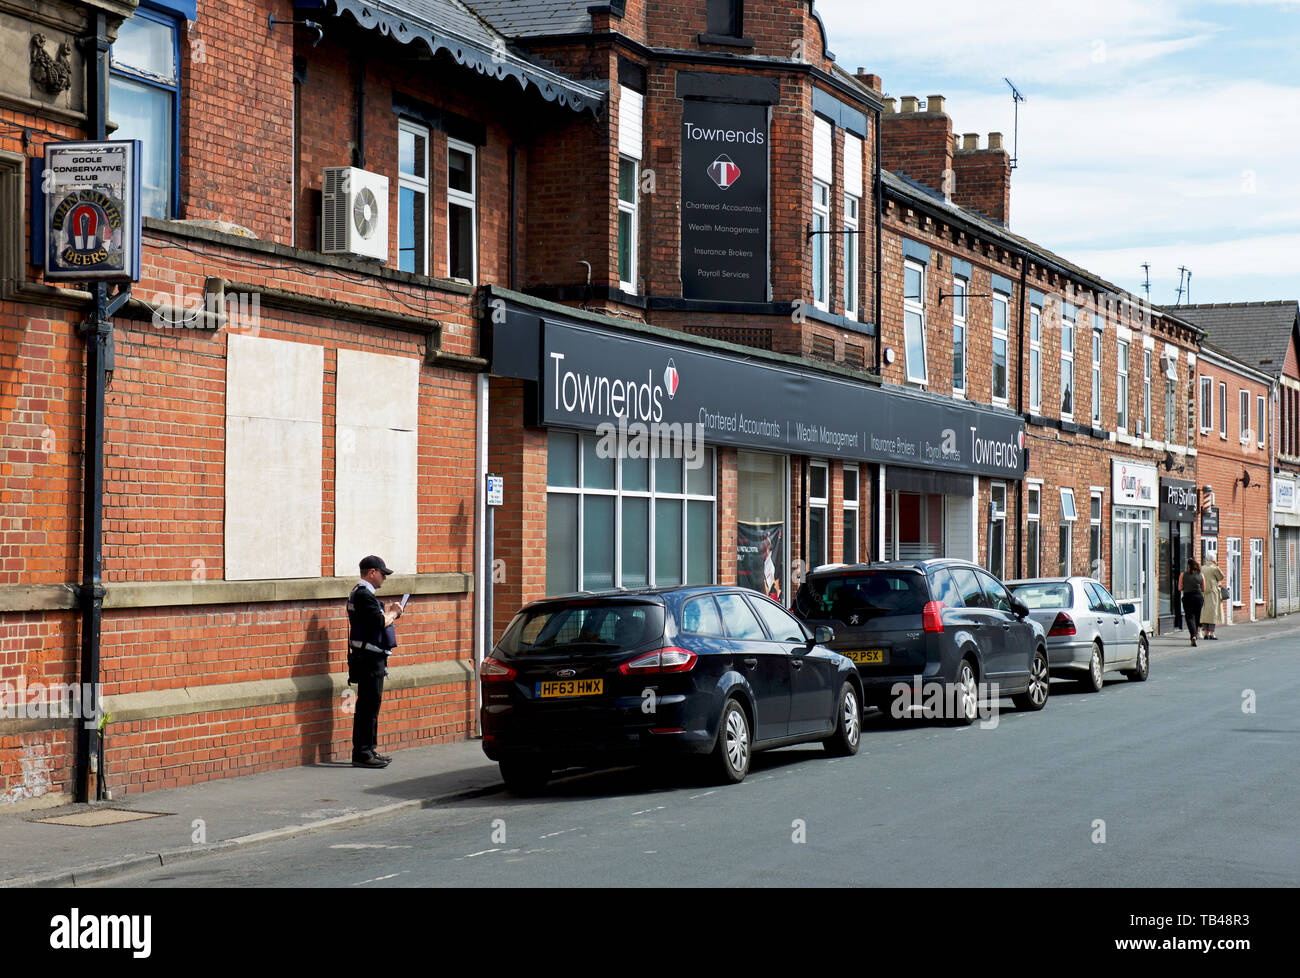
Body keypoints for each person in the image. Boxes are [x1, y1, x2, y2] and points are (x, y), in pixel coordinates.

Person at [347, 555, 402, 768]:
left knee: (371, 705)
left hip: (369, 657)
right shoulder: (363, 596)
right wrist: (394, 613)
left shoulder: (361, 594)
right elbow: (380, 622)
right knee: (368, 706)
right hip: (369, 658)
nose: (384, 578)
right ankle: (362, 753)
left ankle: (369, 749)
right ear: (372, 572)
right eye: (382, 574)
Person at [1179, 557, 1204, 647]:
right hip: (1198, 597)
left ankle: (1193, 635)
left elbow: (1180, 588)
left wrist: (1187, 586)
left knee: (1189, 617)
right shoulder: (1201, 575)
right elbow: (1203, 588)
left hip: (1187, 597)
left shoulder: (1183, 575)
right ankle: (1196, 633)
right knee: (1197, 616)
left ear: (1188, 566)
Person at [1201, 555, 1226, 640]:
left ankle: (1205, 633)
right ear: (1214, 560)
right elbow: (1221, 576)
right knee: (1213, 613)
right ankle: (1212, 634)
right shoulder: (1214, 568)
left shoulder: (1202, 568)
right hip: (1213, 593)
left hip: (1204, 592)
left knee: (1205, 613)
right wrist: (1217, 565)